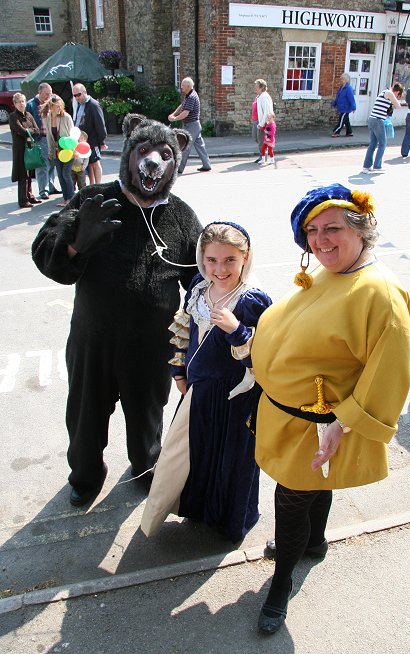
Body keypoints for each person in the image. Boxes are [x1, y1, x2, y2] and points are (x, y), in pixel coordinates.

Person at [250, 183, 410, 635]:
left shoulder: (379, 294)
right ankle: (314, 543)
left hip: (317, 424)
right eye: (312, 231)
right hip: (290, 416)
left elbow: (390, 373)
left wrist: (343, 425)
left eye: (333, 228)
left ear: (361, 229)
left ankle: (280, 585)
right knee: (312, 489)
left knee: (290, 500)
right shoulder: (335, 270)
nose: (320, 240)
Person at [32, 115, 202, 507]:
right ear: (128, 154)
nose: (153, 161)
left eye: (164, 154)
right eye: (144, 151)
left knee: (147, 416)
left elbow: (201, 278)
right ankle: (86, 477)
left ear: (174, 164)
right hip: (94, 340)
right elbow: (46, 255)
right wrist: (74, 244)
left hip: (151, 347)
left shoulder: (180, 216)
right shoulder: (94, 201)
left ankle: (145, 467)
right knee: (85, 417)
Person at [141, 221, 271, 542]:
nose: (220, 269)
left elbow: (266, 359)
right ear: (202, 258)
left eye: (229, 260)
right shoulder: (199, 287)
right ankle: (200, 509)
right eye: (212, 260)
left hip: (234, 396)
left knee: (232, 460)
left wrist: (236, 329)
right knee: (197, 454)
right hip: (199, 390)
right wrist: (179, 371)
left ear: (246, 257)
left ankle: (231, 521)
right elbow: (185, 330)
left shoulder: (252, 301)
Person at [168, 77, 212, 174]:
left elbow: (185, 113)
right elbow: (182, 106)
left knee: (185, 146)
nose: (181, 87)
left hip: (191, 125)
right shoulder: (189, 95)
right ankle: (207, 164)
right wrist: (174, 114)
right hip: (194, 125)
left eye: (183, 85)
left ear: (188, 86)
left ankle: (179, 168)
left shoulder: (191, 97)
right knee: (200, 145)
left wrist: (175, 118)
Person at [26, 82, 60, 199]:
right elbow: (27, 122)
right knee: (42, 165)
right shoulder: (31, 105)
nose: (49, 96)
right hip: (40, 138)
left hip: (51, 137)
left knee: (52, 163)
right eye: (46, 94)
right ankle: (43, 191)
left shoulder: (51, 103)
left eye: (50, 93)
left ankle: (50, 186)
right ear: (39, 92)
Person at [9, 92, 42, 208]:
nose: (21, 104)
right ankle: (23, 200)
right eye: (18, 102)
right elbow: (21, 131)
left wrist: (28, 131)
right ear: (15, 104)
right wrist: (28, 131)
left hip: (30, 147)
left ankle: (30, 195)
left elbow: (37, 130)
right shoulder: (13, 117)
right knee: (22, 174)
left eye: (23, 101)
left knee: (30, 174)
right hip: (20, 149)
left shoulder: (28, 115)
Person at [362, 83, 403, 173]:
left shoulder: (384, 92)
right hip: (378, 120)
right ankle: (377, 165)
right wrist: (396, 101)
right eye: (398, 95)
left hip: (371, 119)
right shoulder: (390, 93)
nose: (396, 96)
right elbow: (398, 106)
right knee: (382, 143)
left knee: (373, 144)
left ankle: (366, 166)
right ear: (398, 92)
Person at [41, 95, 75, 207]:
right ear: (51, 107)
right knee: (60, 175)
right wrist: (50, 152)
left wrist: (74, 150)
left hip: (67, 150)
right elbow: (49, 137)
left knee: (66, 174)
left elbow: (73, 135)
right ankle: (65, 198)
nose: (59, 108)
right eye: (57, 106)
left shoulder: (66, 117)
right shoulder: (48, 118)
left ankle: (71, 198)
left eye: (60, 106)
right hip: (56, 150)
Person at [72, 83, 108, 184]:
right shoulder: (80, 105)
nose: (77, 98)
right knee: (89, 164)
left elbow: (100, 123)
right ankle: (92, 185)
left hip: (93, 140)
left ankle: (98, 184)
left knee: (95, 163)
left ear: (84, 92)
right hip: (83, 141)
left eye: (78, 95)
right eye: (74, 96)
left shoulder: (93, 105)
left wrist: (102, 140)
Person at [254, 79, 273, 164]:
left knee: (261, 140)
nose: (255, 88)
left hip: (263, 122)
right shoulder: (259, 96)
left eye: (257, 86)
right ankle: (263, 155)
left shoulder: (264, 97)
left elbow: (266, 111)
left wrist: (261, 123)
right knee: (256, 138)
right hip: (257, 120)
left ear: (261, 87)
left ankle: (263, 157)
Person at [331, 73, 356, 137]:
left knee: (341, 121)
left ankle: (336, 132)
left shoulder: (349, 88)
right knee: (346, 120)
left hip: (346, 108)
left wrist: (353, 107)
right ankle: (349, 132)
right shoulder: (341, 88)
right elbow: (338, 97)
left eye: (342, 79)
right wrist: (334, 104)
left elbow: (351, 99)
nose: (341, 80)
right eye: (341, 79)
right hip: (341, 107)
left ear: (346, 80)